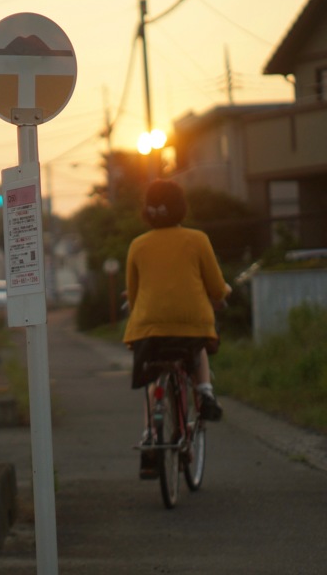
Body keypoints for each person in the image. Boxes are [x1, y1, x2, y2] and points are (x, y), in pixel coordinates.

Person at [123, 179, 231, 466]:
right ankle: (205, 392)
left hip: (149, 327)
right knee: (199, 347)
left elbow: (133, 296)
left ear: (147, 212)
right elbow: (217, 288)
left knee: (154, 378)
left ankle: (149, 434)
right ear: (181, 208)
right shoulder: (197, 240)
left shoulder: (137, 245)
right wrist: (221, 296)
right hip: (190, 323)